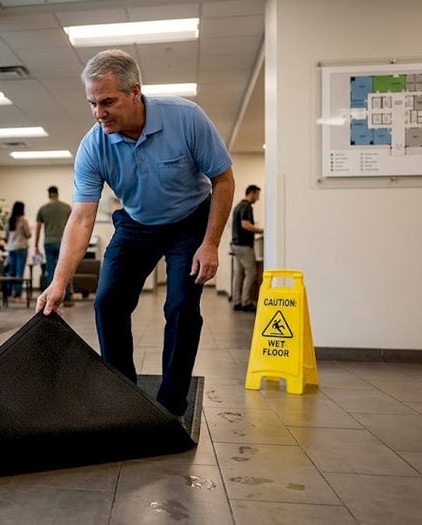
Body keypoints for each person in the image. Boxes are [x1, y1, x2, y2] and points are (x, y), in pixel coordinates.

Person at [35, 49, 235, 417]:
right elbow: (82, 218)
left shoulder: (186, 118)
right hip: (136, 222)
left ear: (135, 92)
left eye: (107, 101)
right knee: (108, 302)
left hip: (190, 220)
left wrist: (210, 243)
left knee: (181, 306)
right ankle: (123, 396)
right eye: (92, 103)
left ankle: (170, 405)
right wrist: (59, 282)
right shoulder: (93, 146)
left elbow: (222, 180)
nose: (99, 113)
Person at [34, 186, 74, 306]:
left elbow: (38, 228)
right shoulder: (67, 208)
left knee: (50, 271)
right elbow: (72, 226)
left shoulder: (43, 209)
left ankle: (49, 300)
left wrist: (36, 244)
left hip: (48, 242)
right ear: (57, 194)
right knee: (65, 270)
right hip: (63, 243)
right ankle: (67, 298)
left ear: (49, 194)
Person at [231, 185, 263, 312]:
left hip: (236, 245)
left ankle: (237, 301)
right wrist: (261, 230)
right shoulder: (246, 207)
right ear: (252, 193)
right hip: (244, 245)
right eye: (257, 195)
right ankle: (246, 302)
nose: (258, 198)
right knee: (251, 272)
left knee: (239, 274)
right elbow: (245, 224)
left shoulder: (238, 206)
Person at [5, 201, 31, 302]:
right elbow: (28, 234)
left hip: (11, 248)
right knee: (19, 272)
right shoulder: (23, 220)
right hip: (21, 248)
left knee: (11, 272)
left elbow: (6, 235)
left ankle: (8, 294)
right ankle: (18, 295)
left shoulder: (9, 220)